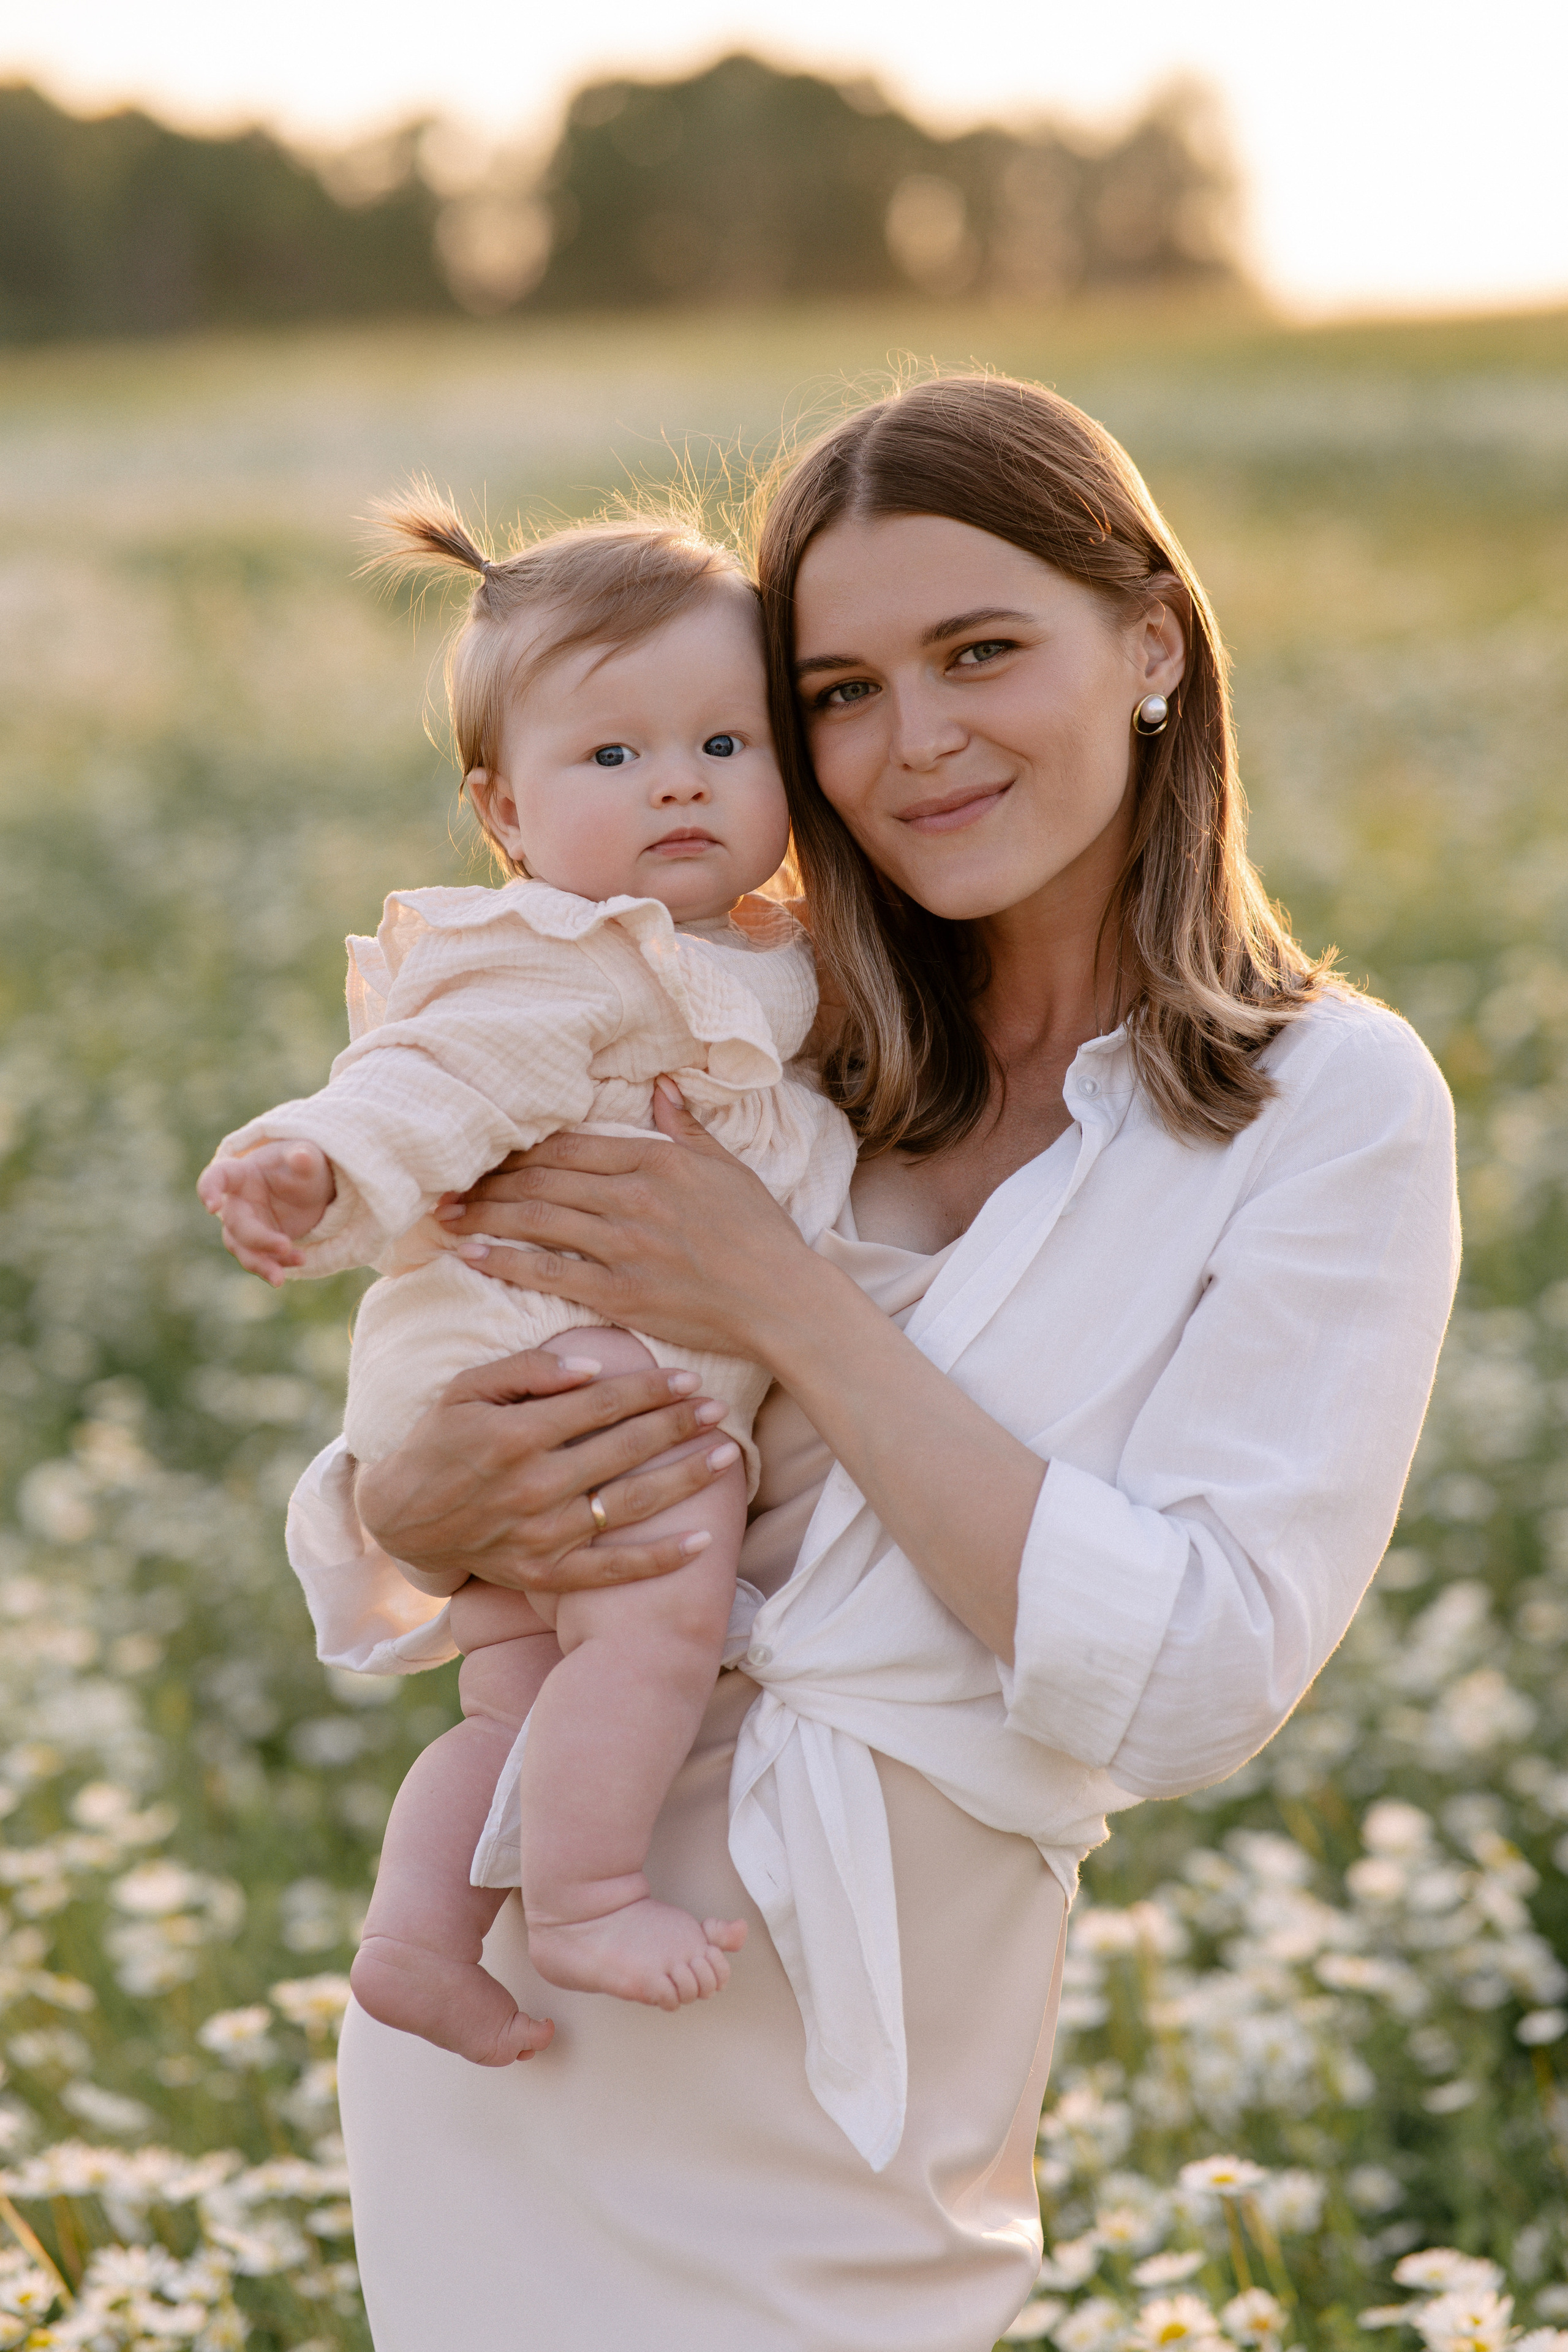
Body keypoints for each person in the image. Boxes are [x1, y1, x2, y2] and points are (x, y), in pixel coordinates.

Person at [285, 375, 1460, 2352]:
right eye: (836, 688)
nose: (912, 742)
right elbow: (445, 1363)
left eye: (981, 652)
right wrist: (400, 1506)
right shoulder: (741, 1019)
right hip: (533, 2026)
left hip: (859, 2079)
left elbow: (1194, 1681)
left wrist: (787, 1306)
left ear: (1151, 638)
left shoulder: (1320, 1103)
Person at [197, 506, 857, 2054]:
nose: (677, 780)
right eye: (611, 758)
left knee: (509, 1698)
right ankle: (578, 1902)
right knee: (664, 1586)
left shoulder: (770, 951)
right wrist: (317, 1162)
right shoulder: (563, 953)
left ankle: (416, 1934)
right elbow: (421, 1084)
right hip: (547, 1367)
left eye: (722, 741)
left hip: (530, 1381)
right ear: (502, 813)